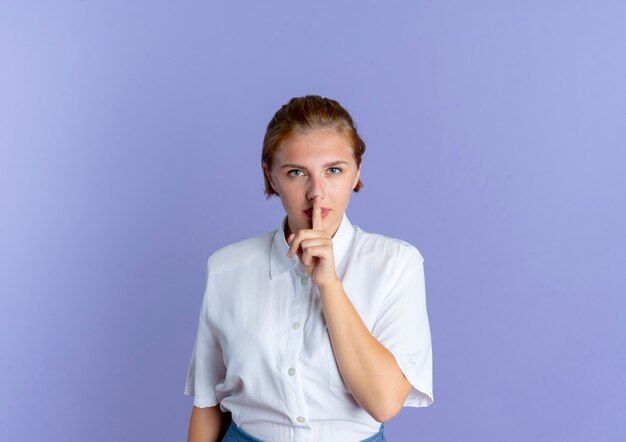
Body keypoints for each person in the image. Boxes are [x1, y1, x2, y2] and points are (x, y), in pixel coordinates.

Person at [185, 95, 433, 442]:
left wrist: (328, 283)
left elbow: (384, 403)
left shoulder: (395, 264)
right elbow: (208, 403)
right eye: (297, 173)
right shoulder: (227, 268)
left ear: (356, 171)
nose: (317, 193)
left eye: (334, 170)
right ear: (270, 176)